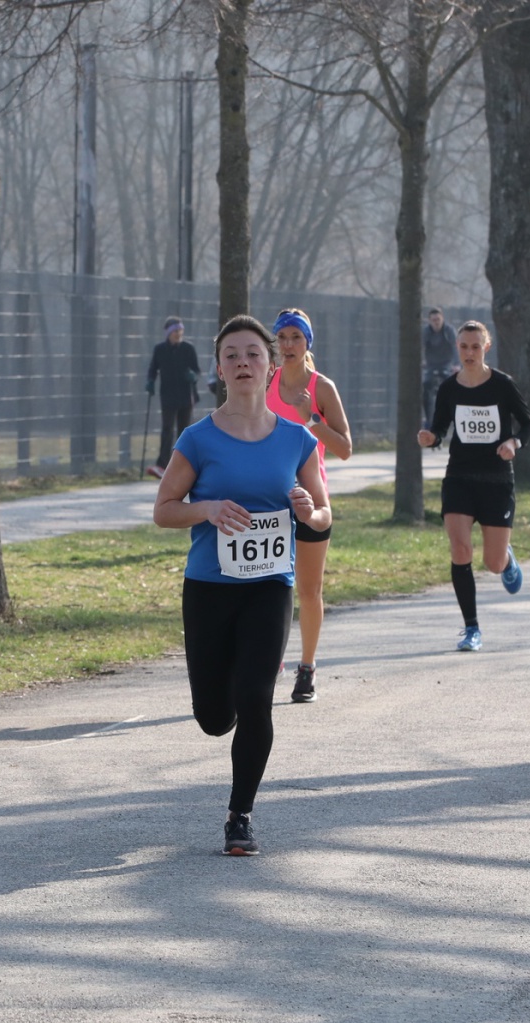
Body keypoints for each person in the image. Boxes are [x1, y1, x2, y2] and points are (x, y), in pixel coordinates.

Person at [153, 314, 330, 856]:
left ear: (271, 365)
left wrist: (308, 511)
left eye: (253, 353)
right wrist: (205, 509)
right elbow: (164, 509)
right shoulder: (198, 439)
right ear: (219, 368)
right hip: (209, 587)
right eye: (231, 355)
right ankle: (225, 697)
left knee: (256, 698)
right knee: (214, 718)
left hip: (269, 586)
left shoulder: (296, 440)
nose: (243, 363)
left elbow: (323, 514)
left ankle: (240, 816)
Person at [417, 320, 530, 652]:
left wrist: (513, 443)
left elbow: (528, 423)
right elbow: (440, 427)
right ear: (457, 347)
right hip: (460, 478)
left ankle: (506, 559)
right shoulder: (449, 388)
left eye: (475, 346)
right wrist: (431, 437)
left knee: (492, 564)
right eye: (464, 346)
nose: (469, 353)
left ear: (486, 347)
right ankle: (472, 628)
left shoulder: (502, 385)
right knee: (460, 551)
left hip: (497, 480)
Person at [266, 309, 351, 704]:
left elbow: (345, 449)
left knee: (309, 588)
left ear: (307, 343)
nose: (287, 345)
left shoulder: (322, 387)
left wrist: (311, 419)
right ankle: (270, 659)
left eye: (295, 338)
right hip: (267, 500)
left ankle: (307, 667)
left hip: (311, 501)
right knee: (268, 586)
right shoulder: (265, 382)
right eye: (281, 337)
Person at [145, 317, 202, 479]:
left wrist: (193, 376)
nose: (178, 333)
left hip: (186, 395)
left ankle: (183, 464)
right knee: (167, 428)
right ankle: (162, 464)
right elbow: (152, 369)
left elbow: (197, 371)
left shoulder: (188, 348)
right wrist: (150, 381)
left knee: (184, 431)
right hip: (168, 395)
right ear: (169, 333)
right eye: (175, 331)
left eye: (180, 330)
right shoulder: (160, 350)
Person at [421, 306, 456, 428]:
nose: (436, 323)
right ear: (429, 321)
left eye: (438, 319)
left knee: (450, 386)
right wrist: (422, 361)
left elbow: (456, 347)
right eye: (433, 320)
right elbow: (420, 347)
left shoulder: (449, 331)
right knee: (426, 386)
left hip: (446, 363)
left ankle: (450, 415)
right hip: (430, 364)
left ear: (442, 319)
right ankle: (428, 420)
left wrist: (457, 365)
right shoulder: (426, 332)